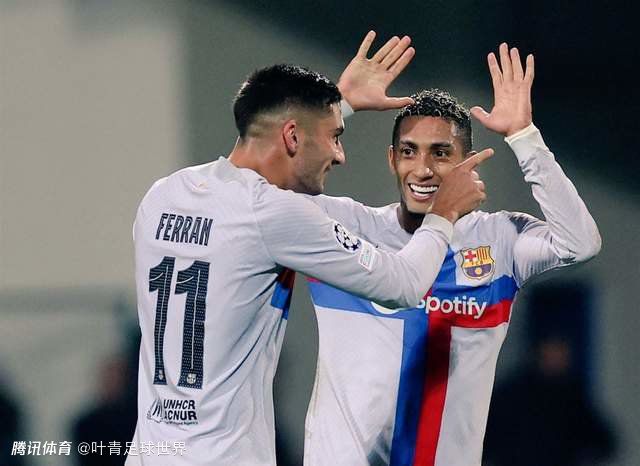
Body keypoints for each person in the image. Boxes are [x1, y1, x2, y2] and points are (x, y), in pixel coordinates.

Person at [126, 32, 490, 466]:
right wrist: (443, 214)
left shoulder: (164, 194)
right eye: (335, 136)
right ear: (294, 137)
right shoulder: (275, 214)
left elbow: (267, 177)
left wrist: (339, 104)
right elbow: (405, 284)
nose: (340, 155)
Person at [303, 43, 601, 466]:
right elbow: (253, 195)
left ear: (469, 163)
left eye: (441, 153)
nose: (422, 168)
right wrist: (337, 107)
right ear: (392, 160)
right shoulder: (347, 228)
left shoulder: (499, 240)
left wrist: (524, 137)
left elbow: (580, 242)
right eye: (409, 151)